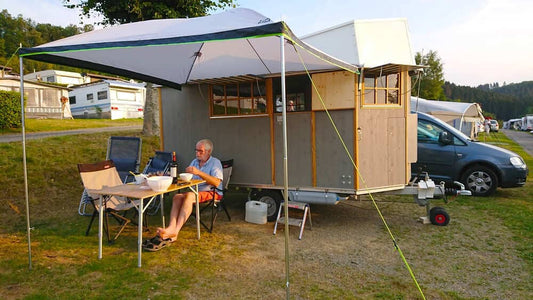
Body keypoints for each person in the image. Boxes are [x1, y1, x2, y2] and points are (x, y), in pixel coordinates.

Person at [143, 139, 223, 251]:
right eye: (196, 150)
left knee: (189, 196)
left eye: (201, 151)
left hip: (212, 192)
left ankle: (175, 232)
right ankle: (171, 228)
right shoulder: (195, 161)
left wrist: (199, 173)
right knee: (177, 197)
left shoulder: (215, 163)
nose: (197, 153)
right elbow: (189, 176)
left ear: (208, 152)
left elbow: (216, 182)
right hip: (195, 190)